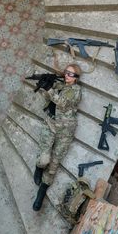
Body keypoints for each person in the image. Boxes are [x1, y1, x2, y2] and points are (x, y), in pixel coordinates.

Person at [33, 64, 82, 211]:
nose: (68, 75)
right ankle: (38, 167)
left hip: (65, 131)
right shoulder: (59, 84)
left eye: (71, 74)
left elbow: (62, 103)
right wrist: (44, 86)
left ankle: (41, 192)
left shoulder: (76, 91)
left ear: (76, 78)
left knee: (54, 164)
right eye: (67, 72)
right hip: (51, 124)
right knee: (44, 160)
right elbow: (47, 98)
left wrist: (50, 89)